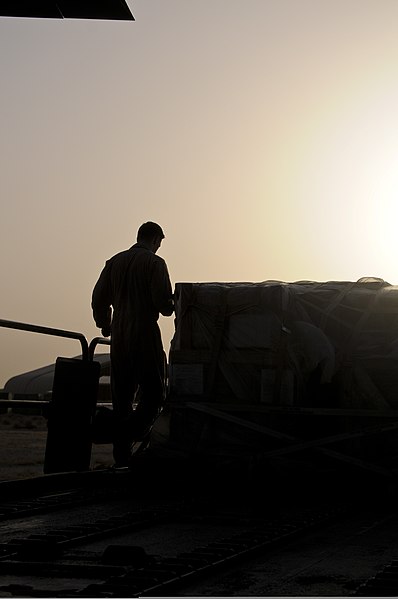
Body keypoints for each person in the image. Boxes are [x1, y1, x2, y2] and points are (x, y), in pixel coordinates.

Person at [91, 221, 174, 466]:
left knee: (122, 398)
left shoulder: (114, 262)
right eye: (160, 243)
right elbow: (163, 305)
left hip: (119, 337)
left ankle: (122, 459)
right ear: (155, 239)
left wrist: (105, 324)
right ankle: (127, 434)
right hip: (144, 333)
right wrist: (174, 303)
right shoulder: (155, 263)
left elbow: (98, 299)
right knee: (154, 394)